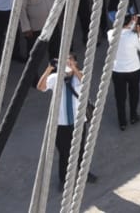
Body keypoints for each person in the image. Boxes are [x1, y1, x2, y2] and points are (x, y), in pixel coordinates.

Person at [38, 55, 98, 190]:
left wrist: (74, 69)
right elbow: (41, 87)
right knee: (64, 153)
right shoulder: (55, 78)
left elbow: (85, 82)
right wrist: (49, 69)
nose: (67, 63)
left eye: (70, 60)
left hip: (77, 122)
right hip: (61, 124)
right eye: (64, 61)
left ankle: (84, 174)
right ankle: (63, 179)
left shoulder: (79, 76)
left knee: (81, 150)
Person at [108, 11, 140, 130]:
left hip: (117, 70)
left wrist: (131, 24)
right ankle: (133, 116)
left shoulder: (110, 34)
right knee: (134, 92)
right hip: (134, 69)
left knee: (120, 96)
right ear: (130, 22)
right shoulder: (133, 36)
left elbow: (120, 30)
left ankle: (122, 122)